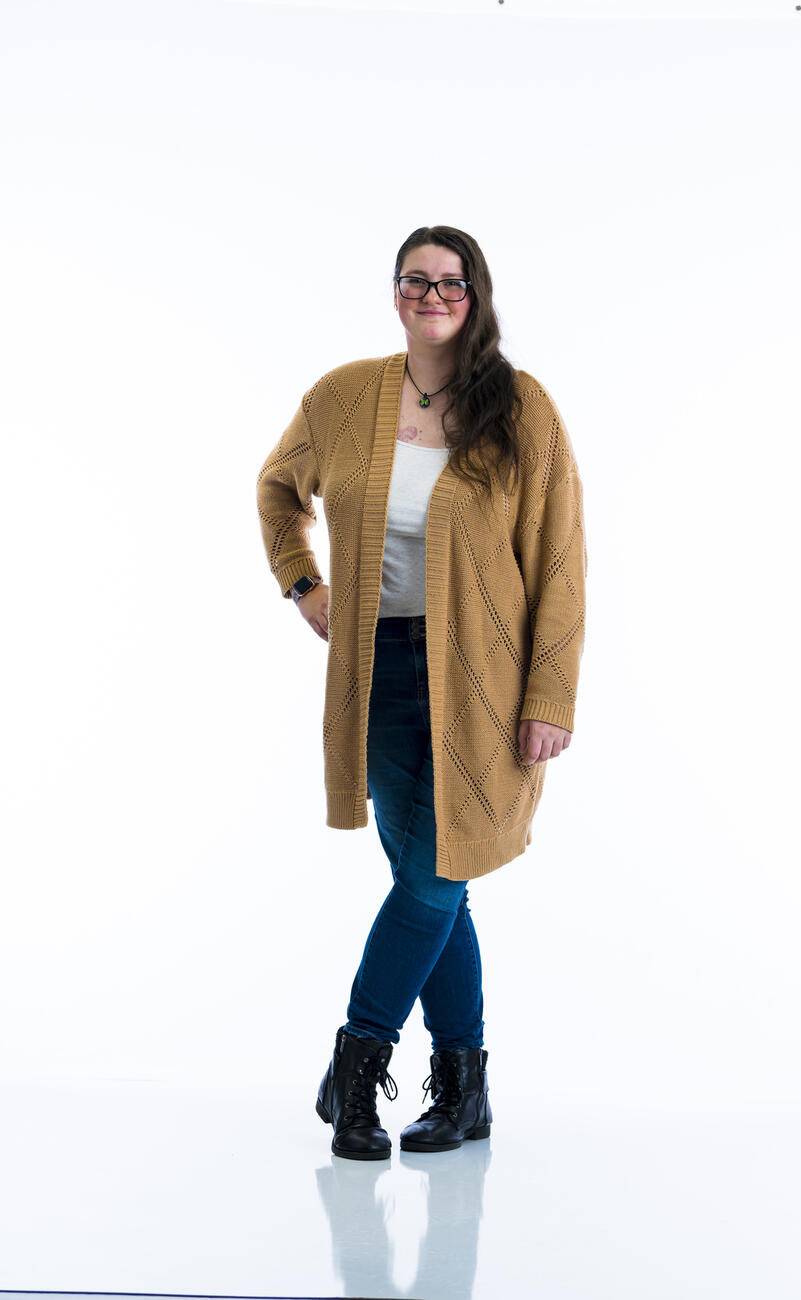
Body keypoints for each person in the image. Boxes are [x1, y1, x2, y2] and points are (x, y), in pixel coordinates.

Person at [256, 225, 588, 1161]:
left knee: (435, 879)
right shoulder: (343, 395)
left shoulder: (520, 408)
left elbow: (560, 563)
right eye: (415, 281)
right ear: (394, 292)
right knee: (435, 884)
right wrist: (303, 584)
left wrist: (549, 695)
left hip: (483, 683)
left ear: (475, 296)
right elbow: (277, 489)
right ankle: (464, 1087)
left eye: (450, 283)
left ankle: (353, 1072)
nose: (431, 296)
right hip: (376, 672)